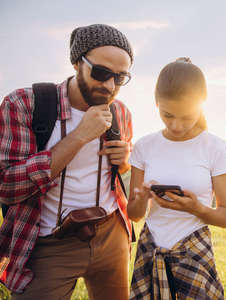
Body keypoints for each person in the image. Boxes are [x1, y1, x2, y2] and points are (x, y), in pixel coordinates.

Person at [0, 24, 134, 299]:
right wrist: (79, 136)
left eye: (120, 79)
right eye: (101, 73)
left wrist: (123, 162)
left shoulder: (120, 112)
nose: (110, 86)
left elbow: (117, 171)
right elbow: (7, 185)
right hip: (48, 243)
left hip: (111, 235)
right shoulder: (24, 104)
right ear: (76, 62)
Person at [128, 57, 226, 299]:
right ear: (156, 104)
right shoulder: (145, 146)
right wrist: (142, 198)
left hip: (193, 250)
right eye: (167, 115)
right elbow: (134, 214)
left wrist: (196, 208)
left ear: (202, 105)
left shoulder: (214, 147)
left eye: (186, 117)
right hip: (150, 248)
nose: (176, 125)